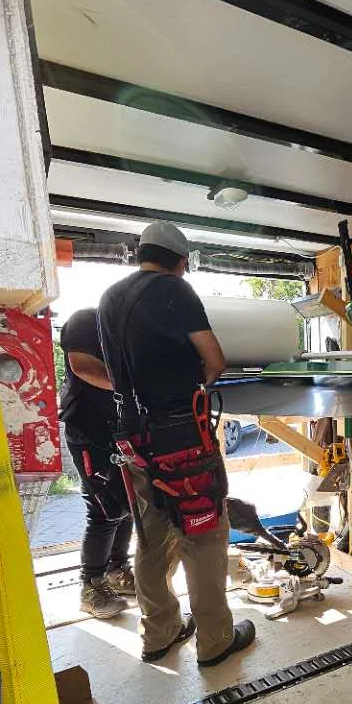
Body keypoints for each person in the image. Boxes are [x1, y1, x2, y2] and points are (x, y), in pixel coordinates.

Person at [97, 220, 255, 666]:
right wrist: (192, 387)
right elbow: (215, 360)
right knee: (203, 534)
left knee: (152, 534)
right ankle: (215, 641)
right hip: (181, 435)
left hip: (132, 435)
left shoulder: (109, 297)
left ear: (141, 253)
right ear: (181, 262)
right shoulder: (175, 290)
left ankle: (159, 634)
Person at [58, 307, 136, 619]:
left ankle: (117, 571)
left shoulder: (130, 332)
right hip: (89, 431)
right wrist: (135, 386)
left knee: (129, 504)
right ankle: (91, 586)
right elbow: (83, 367)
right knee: (105, 510)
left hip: (121, 430)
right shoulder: (84, 321)